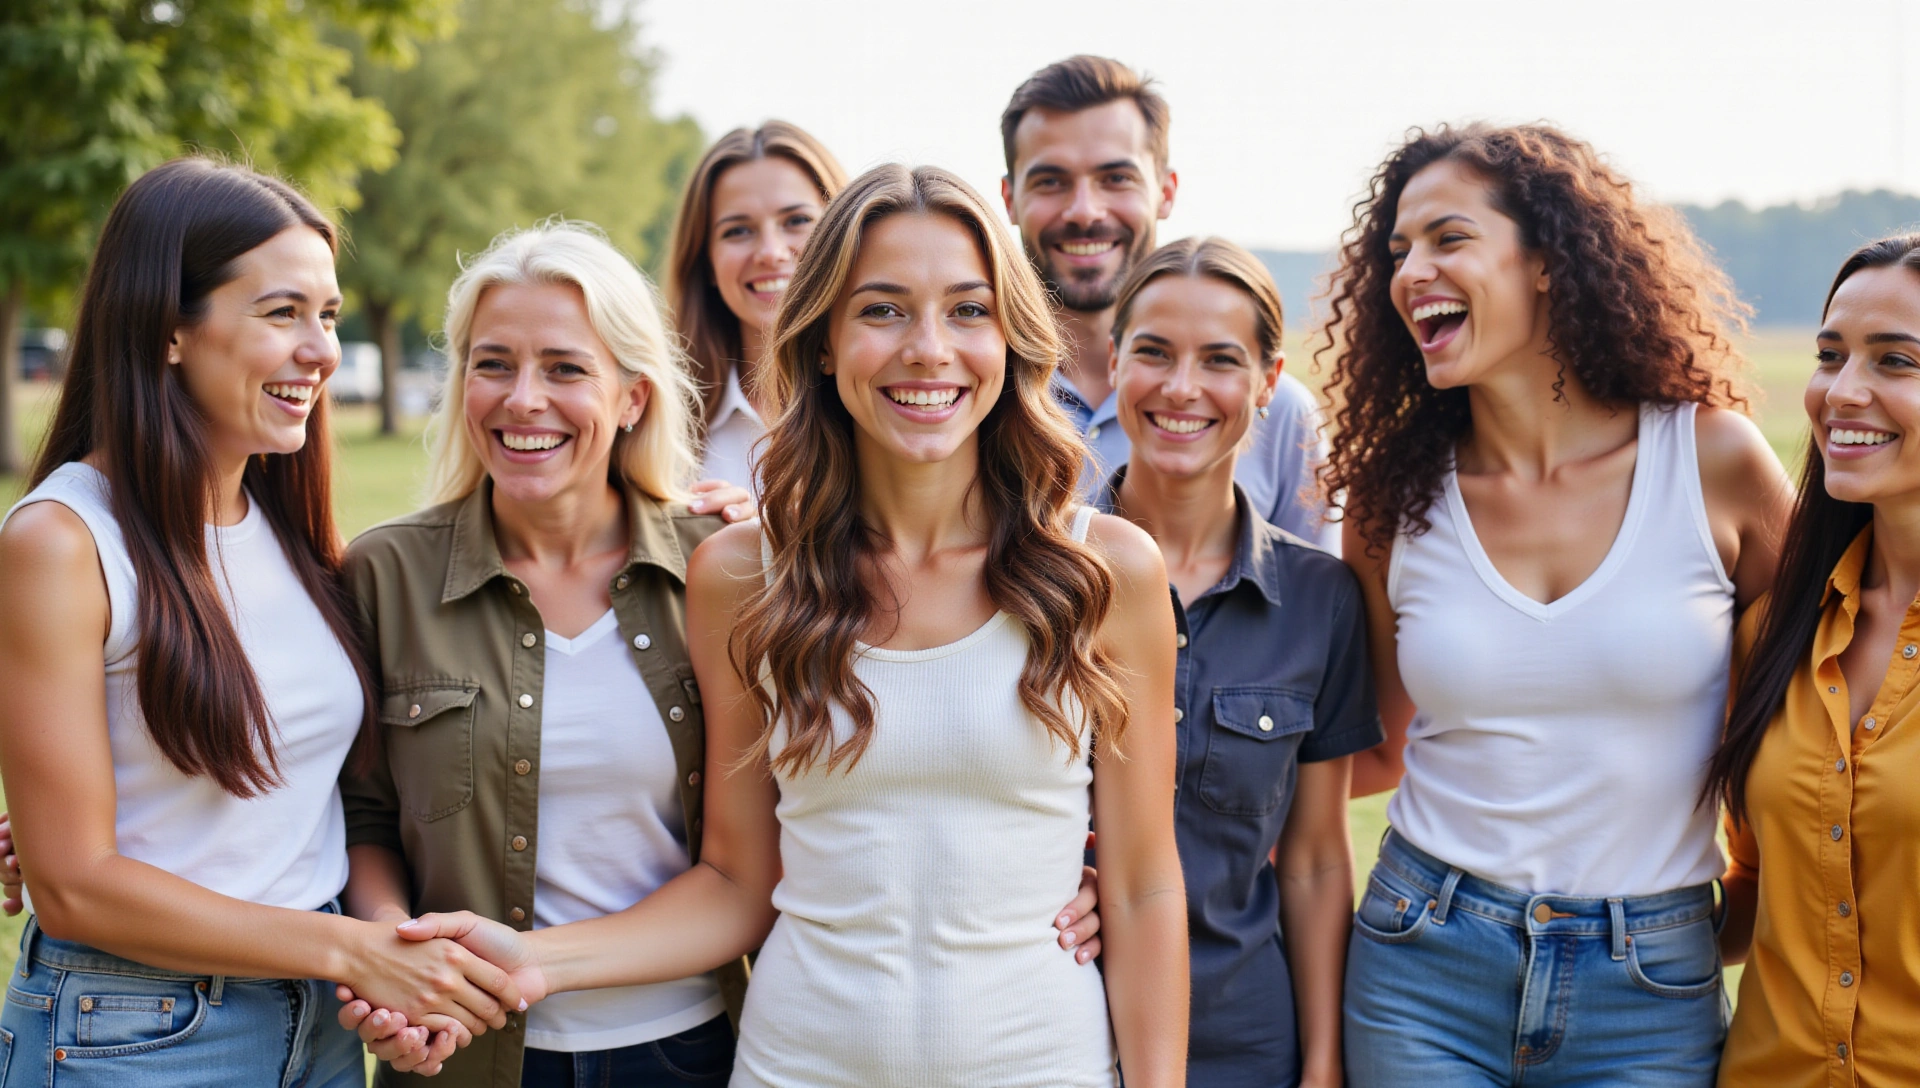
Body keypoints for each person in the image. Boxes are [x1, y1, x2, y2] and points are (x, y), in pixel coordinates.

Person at [374, 164, 1189, 1087]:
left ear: (1011, 338)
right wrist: (534, 959)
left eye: (968, 311)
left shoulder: (1106, 570)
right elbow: (736, 883)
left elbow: (1142, 884)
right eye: (882, 310)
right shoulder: (743, 576)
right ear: (827, 342)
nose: (929, 349)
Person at [0, 157, 522, 1087]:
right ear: (168, 327)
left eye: (326, 314)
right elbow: (73, 885)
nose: (322, 349)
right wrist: (349, 951)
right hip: (136, 1033)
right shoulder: (63, 541)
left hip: (312, 1028)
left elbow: (301, 798)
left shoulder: (291, 529)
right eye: (282, 313)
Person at [1321, 124, 1790, 1084]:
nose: (1411, 270)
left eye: (1448, 239)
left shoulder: (1716, 463)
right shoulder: (1391, 502)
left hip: (1648, 988)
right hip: (1421, 962)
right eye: (1398, 250)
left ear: (1545, 262)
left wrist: (1722, 910)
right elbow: (1368, 752)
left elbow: (1798, 722)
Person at [1097, 237, 1382, 1087]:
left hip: (1245, 1040)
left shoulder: (1321, 599)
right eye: (1153, 352)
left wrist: (1324, 1059)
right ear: (1113, 362)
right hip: (1052, 1025)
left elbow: (1317, 857)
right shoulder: (1037, 572)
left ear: (1267, 383)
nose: (1181, 388)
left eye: (1220, 361)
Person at [1708, 234, 1920, 1087]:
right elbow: (1754, 891)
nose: (1843, 392)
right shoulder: (1773, 631)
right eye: (1831, 356)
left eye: (1896, 361)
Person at [999, 55, 1335, 550]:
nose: (1085, 211)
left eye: (1116, 178)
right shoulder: (973, 396)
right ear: (1009, 199)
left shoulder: (1279, 415)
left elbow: (1316, 608)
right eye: (1051, 181)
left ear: (1166, 191)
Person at [665, 121, 847, 497]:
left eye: (797, 221)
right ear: (706, 263)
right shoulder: (660, 427)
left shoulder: (895, 402)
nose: (770, 252)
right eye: (738, 230)